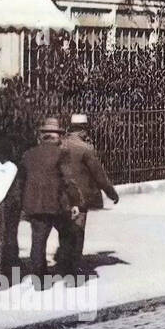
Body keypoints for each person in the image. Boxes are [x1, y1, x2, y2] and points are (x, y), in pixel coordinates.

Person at [18, 118, 82, 283]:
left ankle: (39, 281)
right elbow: (68, 180)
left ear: (43, 137)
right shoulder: (62, 154)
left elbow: (22, 181)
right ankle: (69, 275)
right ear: (57, 137)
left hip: (34, 205)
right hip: (56, 205)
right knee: (68, 235)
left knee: (38, 242)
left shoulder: (28, 154)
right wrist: (75, 202)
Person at [56, 114, 119, 275]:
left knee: (64, 231)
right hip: (79, 198)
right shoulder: (85, 149)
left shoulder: (59, 144)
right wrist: (111, 193)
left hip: (60, 197)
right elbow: (99, 176)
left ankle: (62, 265)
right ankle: (74, 268)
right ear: (83, 130)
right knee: (77, 233)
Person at [0, 132, 23, 285]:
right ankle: (3, 274)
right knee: (5, 240)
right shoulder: (12, 169)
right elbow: (16, 194)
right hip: (5, 209)